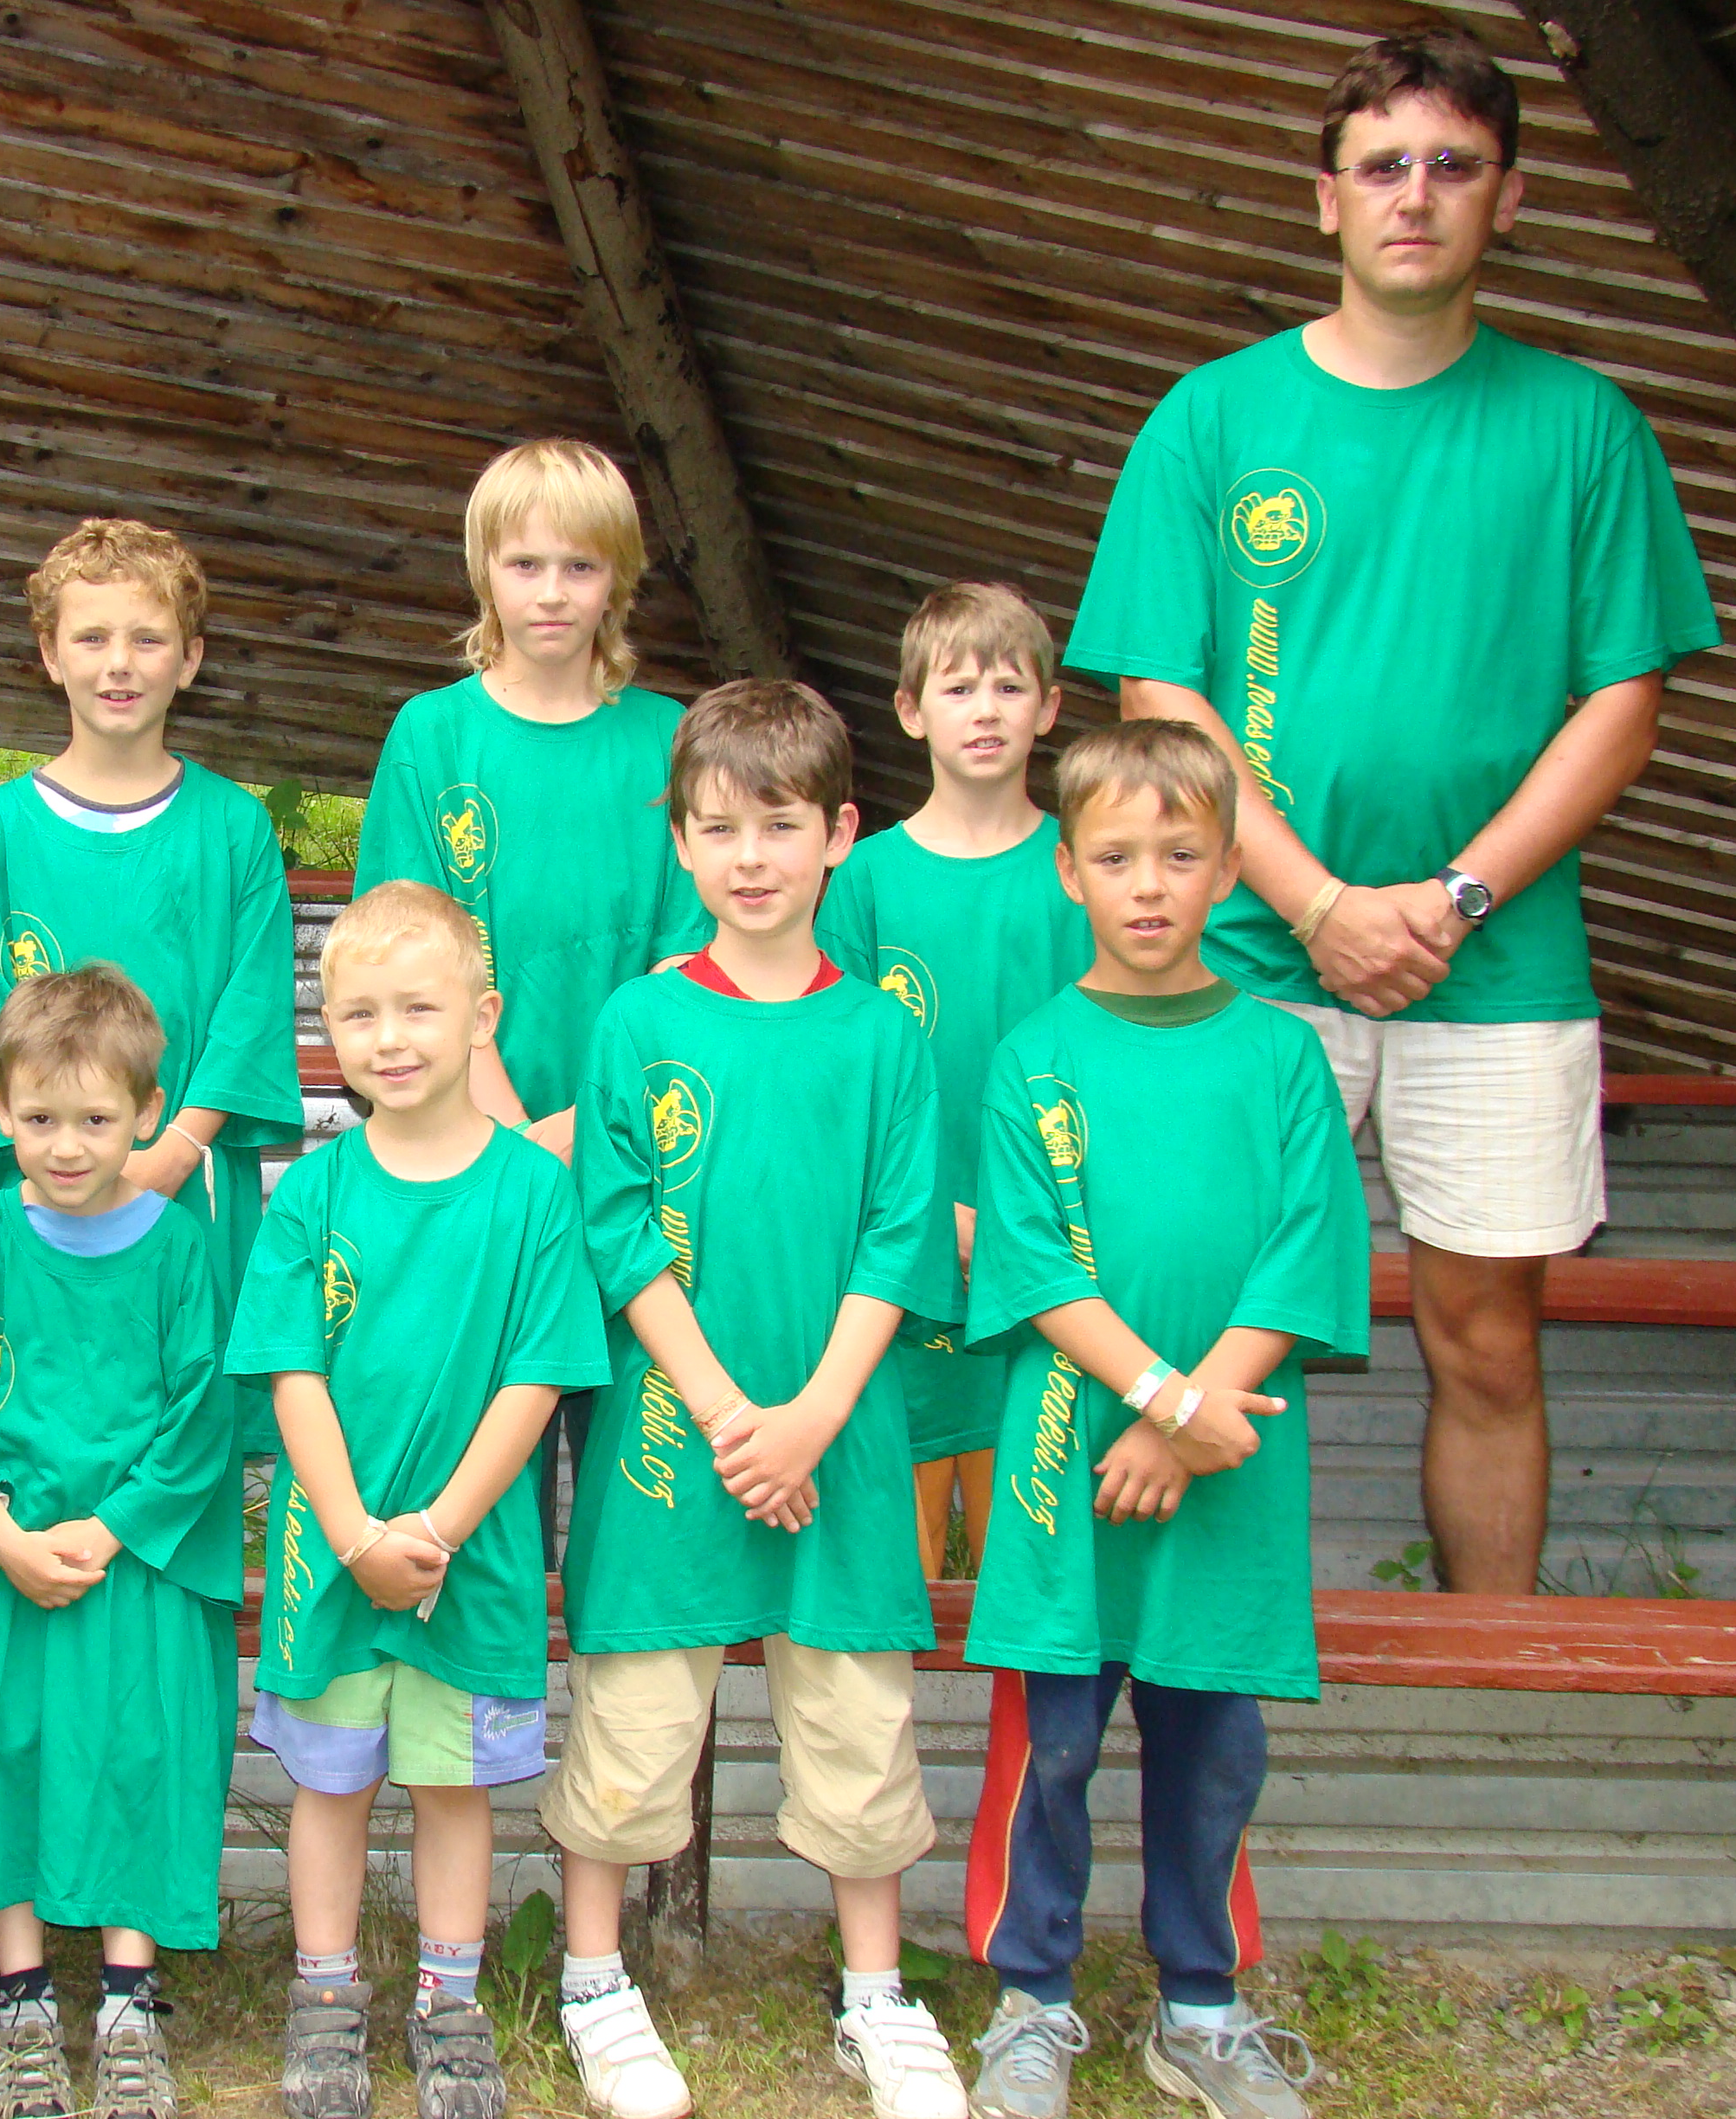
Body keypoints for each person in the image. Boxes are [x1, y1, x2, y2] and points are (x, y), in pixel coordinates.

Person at [1066, 26, 1718, 1593]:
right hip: (1238, 954)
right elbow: (1161, 694)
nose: (1412, 196)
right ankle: (1187, 1666)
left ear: (1508, 198)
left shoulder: (1581, 428)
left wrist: (1451, 899)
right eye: (1379, 167)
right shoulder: (1212, 419)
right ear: (1325, 199)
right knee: (1189, 1308)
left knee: (1484, 1338)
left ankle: (1490, 1676)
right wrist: (1317, 905)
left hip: (1494, 961)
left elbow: (1622, 703)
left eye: (1450, 165)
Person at [550, 680, 967, 2119]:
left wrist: (808, 1419)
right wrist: (733, 1412)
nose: (749, 857)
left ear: (839, 834)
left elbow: (898, 1238)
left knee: (857, 1728)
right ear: (677, 840)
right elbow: (617, 1230)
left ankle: (874, 1995)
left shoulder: (883, 1036)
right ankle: (592, 1980)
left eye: (779, 826)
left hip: (838, 1443)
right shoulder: (636, 1020)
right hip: (674, 1442)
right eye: (718, 828)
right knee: (631, 1724)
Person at [959, 723, 1366, 2119]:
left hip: (1230, 1462)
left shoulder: (1282, 1056)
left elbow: (1304, 1250)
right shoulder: (1034, 1056)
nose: (1148, 884)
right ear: (1067, 869)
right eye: (1117, 856)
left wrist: (1195, 1416)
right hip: (1068, 1457)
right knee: (1055, 1745)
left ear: (1229, 870)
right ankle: (1031, 1999)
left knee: (1212, 1744)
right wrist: (1156, 1399)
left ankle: (1200, 2006)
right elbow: (1033, 1265)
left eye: (1181, 855)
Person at [228, 881, 610, 2119]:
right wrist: (352, 1536)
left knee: (453, 1788)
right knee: (331, 1785)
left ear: (482, 1018)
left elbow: (537, 1380)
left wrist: (435, 1530)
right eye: (359, 1015)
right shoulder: (311, 1195)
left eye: (418, 1009)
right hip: (332, 1563)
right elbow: (292, 1374)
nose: (387, 1039)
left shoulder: (533, 1193)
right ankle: (325, 1997)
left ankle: (450, 2004)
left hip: (471, 1562)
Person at [0, 967, 241, 2119]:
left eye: (95, 1119)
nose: (67, 1146)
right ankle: (24, 1993)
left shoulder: (179, 1248)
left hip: (132, 1552)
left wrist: (112, 1526)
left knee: (139, 1744)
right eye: (40, 1119)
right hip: (4, 1548)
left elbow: (202, 1409)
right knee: (1, 1742)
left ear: (147, 1111)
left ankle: (130, 1999)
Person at [0, 517, 303, 1446]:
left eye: (148, 639)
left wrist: (168, 1152)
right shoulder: (0, 830)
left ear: (191, 658)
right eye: (91, 637)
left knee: (183, 1429)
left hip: (186, 1180)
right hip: (41, 1194)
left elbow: (250, 1011)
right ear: (50, 654)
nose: (119, 663)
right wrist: (60, 1156)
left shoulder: (232, 829)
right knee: (42, 1424)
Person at [819, 584, 1091, 1579]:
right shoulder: (864, 882)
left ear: (1049, 708)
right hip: (908, 1272)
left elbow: (1107, 1072)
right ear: (910, 709)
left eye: (1010, 688)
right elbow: (840, 1086)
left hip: (1056, 1261)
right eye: (959, 687)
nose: (985, 711)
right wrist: (938, 1216)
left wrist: (1018, 1222)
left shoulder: (1084, 872)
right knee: (903, 1570)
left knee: (1037, 1569)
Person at [356, 438, 707, 1164]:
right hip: (465, 1141)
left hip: (638, 1134)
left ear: (618, 578)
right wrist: (517, 1143)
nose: (552, 593)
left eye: (580, 566)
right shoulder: (433, 735)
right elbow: (408, 959)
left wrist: (590, 1124)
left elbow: (689, 962)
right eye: (525, 564)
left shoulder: (669, 739)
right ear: (483, 570)